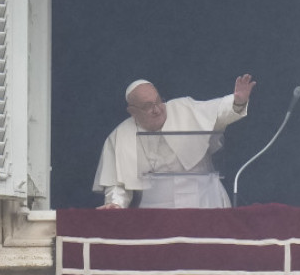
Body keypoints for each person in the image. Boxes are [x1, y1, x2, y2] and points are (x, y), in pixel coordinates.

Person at [93, 75, 256, 209]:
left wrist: (238, 101)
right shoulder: (121, 135)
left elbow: (218, 113)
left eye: (158, 101)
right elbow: (118, 183)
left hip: (205, 202)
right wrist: (115, 204)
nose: (157, 109)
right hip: (155, 212)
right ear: (133, 112)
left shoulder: (184, 108)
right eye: (148, 106)